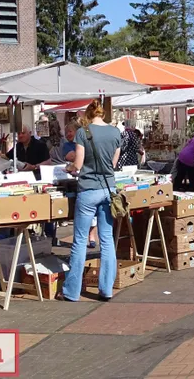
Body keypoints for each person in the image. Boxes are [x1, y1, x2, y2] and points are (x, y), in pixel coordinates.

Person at [61, 100, 122, 302]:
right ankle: (106, 289)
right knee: (107, 239)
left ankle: (72, 291)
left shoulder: (83, 132)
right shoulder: (115, 133)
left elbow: (78, 164)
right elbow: (113, 163)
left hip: (88, 189)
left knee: (79, 241)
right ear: (103, 114)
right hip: (108, 188)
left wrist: (69, 167)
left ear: (88, 115)